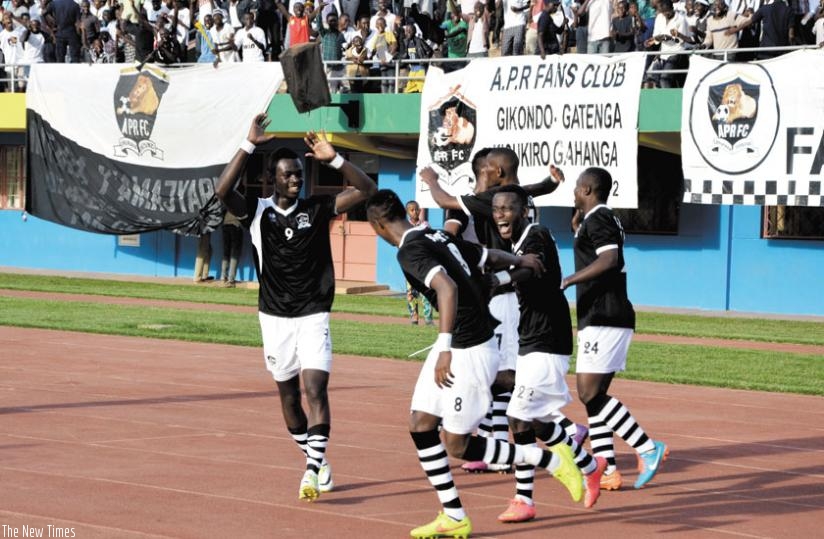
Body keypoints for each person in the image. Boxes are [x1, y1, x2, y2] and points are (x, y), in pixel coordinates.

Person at [364, 188, 583, 539]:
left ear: (377, 225)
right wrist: (520, 261)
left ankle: (553, 461)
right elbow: (484, 255)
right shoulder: (433, 234)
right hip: (462, 342)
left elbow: (446, 289)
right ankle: (453, 515)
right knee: (421, 423)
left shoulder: (410, 249)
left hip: (468, 348)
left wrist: (444, 346)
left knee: (457, 444)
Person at [216, 114, 378, 502]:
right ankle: (317, 459)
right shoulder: (256, 211)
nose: (296, 179)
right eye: (288, 174)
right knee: (289, 400)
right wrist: (249, 143)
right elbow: (223, 191)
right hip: (273, 319)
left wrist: (334, 159)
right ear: (273, 179)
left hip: (313, 314)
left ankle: (310, 472)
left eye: (299, 174)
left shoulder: (319, 208)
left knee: (315, 390)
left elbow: (368, 189)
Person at [422, 150, 588, 474]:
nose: (477, 182)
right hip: (502, 293)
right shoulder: (517, 197)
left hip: (505, 296)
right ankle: (500, 443)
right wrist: (551, 182)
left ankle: (561, 430)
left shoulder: (485, 200)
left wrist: (431, 182)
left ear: (495, 172)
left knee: (502, 377)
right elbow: (534, 190)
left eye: (482, 172)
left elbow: (448, 206)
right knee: (497, 377)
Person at [490, 184, 606, 523]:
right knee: (537, 420)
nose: (500, 215)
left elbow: (531, 268)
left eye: (507, 208)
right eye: (496, 209)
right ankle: (589, 464)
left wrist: (497, 280)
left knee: (517, 417)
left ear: (524, 209)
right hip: (531, 338)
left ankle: (525, 498)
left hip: (548, 338)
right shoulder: (520, 239)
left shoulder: (535, 234)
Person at [560, 167, 669, 491]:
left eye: (578, 188)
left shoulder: (600, 219)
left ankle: (648, 448)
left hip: (605, 314)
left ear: (589, 189)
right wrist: (578, 229)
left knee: (588, 392)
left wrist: (568, 279)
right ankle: (606, 469)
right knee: (595, 398)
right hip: (602, 314)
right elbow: (598, 250)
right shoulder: (595, 220)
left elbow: (610, 259)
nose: (574, 193)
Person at [405, 200, 434, 325]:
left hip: (423, 263)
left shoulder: (425, 225)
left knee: (426, 291)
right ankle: (414, 317)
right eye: (412, 210)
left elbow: (431, 240)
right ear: (407, 212)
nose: (415, 212)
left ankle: (428, 318)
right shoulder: (404, 226)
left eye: (417, 209)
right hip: (409, 263)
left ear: (420, 210)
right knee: (411, 292)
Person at [220, 210, 243, 287]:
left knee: (226, 252)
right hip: (235, 225)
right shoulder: (241, 200)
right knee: (234, 253)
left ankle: (223, 278)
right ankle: (231, 280)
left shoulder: (228, 200)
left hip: (225, 224)